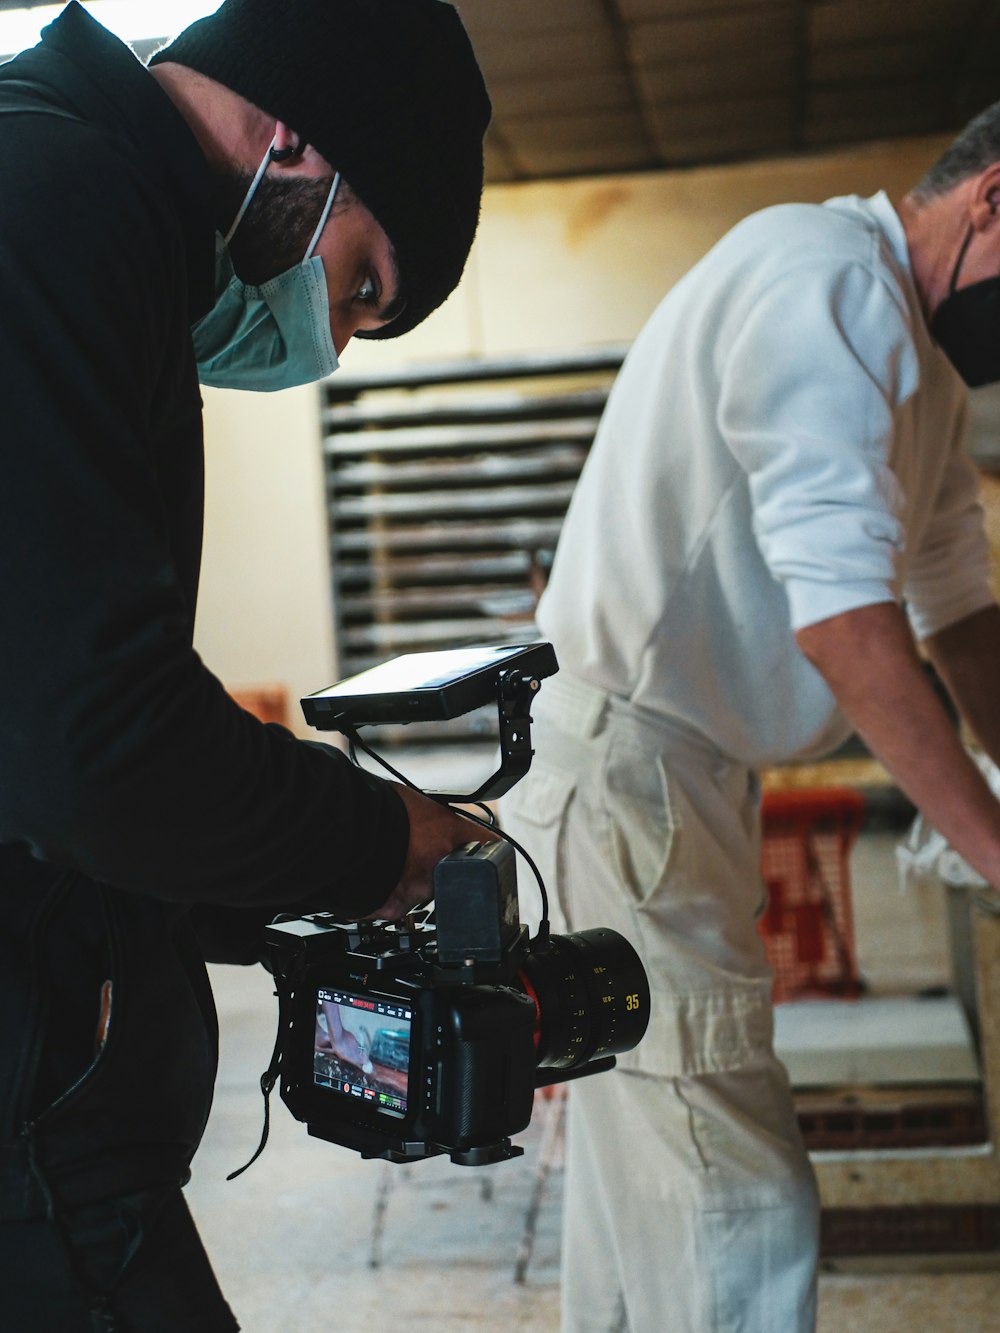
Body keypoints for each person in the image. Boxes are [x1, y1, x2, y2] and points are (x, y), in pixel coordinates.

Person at [0, 1, 490, 1328]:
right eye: (364, 281)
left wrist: (244, 894)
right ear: (298, 140)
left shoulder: (79, 198)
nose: (329, 339)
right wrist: (386, 840)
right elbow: (89, 740)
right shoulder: (56, 201)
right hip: (34, 1129)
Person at [500, 103, 1000, 1332]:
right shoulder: (826, 283)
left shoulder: (918, 368)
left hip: (679, 776)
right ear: (992, 198)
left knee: (652, 1190)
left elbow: (957, 608)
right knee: (736, 1205)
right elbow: (845, 620)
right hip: (628, 773)